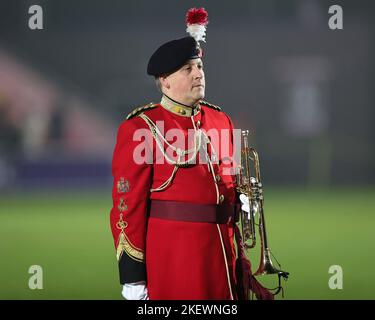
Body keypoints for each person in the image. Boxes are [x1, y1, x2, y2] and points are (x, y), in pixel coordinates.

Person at [109, 8, 252, 300]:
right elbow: (127, 207)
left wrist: (244, 199)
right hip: (175, 260)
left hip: (225, 254)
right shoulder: (140, 127)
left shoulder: (221, 120)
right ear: (165, 80)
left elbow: (234, 182)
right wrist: (133, 279)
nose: (198, 74)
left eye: (199, 67)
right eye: (187, 69)